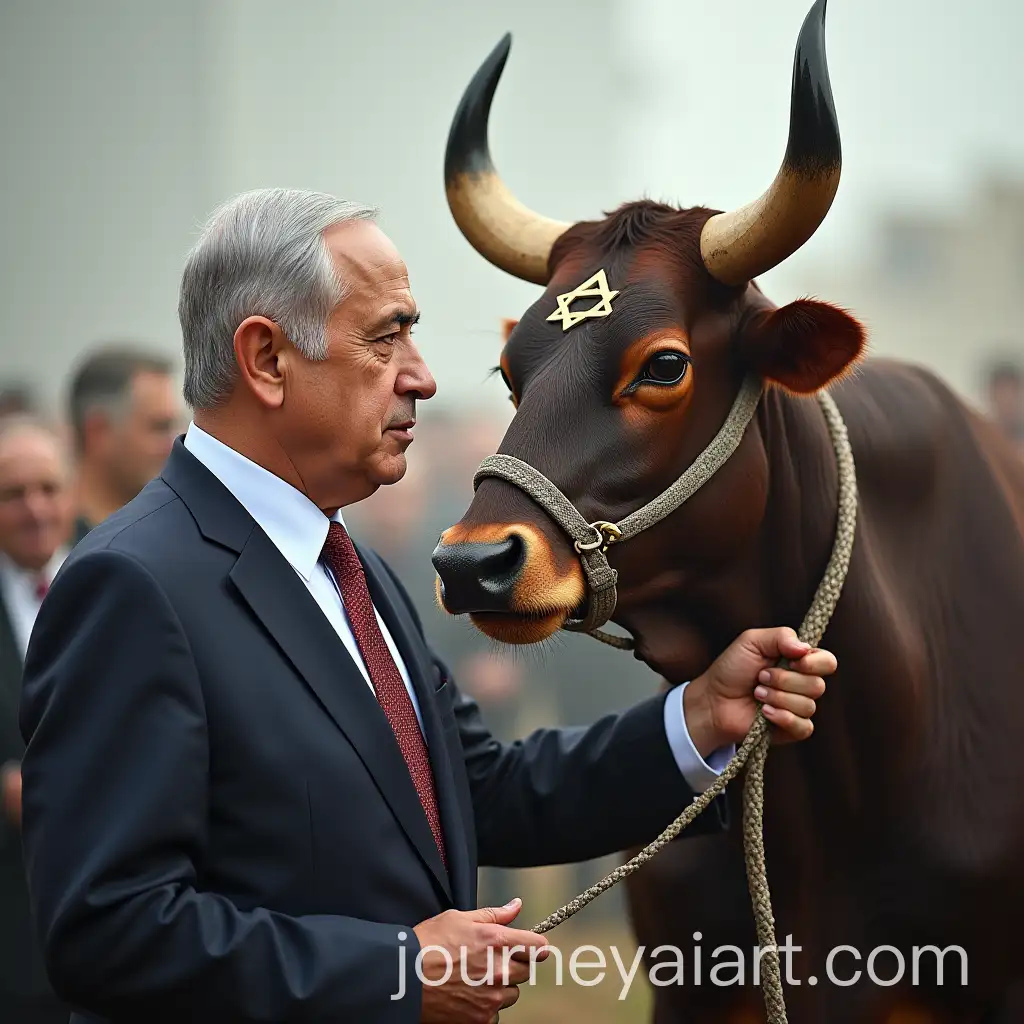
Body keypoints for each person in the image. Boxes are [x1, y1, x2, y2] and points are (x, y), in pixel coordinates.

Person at [19, 189, 836, 1024]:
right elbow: (107, 927)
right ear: (266, 360)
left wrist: (698, 719)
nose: (424, 374)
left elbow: (482, 793)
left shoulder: (350, 567)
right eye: (386, 335)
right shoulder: (132, 584)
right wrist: (397, 971)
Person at [0, 416, 73, 1024]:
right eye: (13, 494)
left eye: (48, 488)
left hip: (120, 940)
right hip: (16, 946)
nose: (35, 510)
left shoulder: (123, 572)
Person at [66, 345, 180, 542]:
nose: (174, 444)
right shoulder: (49, 552)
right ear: (98, 432)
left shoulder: (171, 535)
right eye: (159, 428)